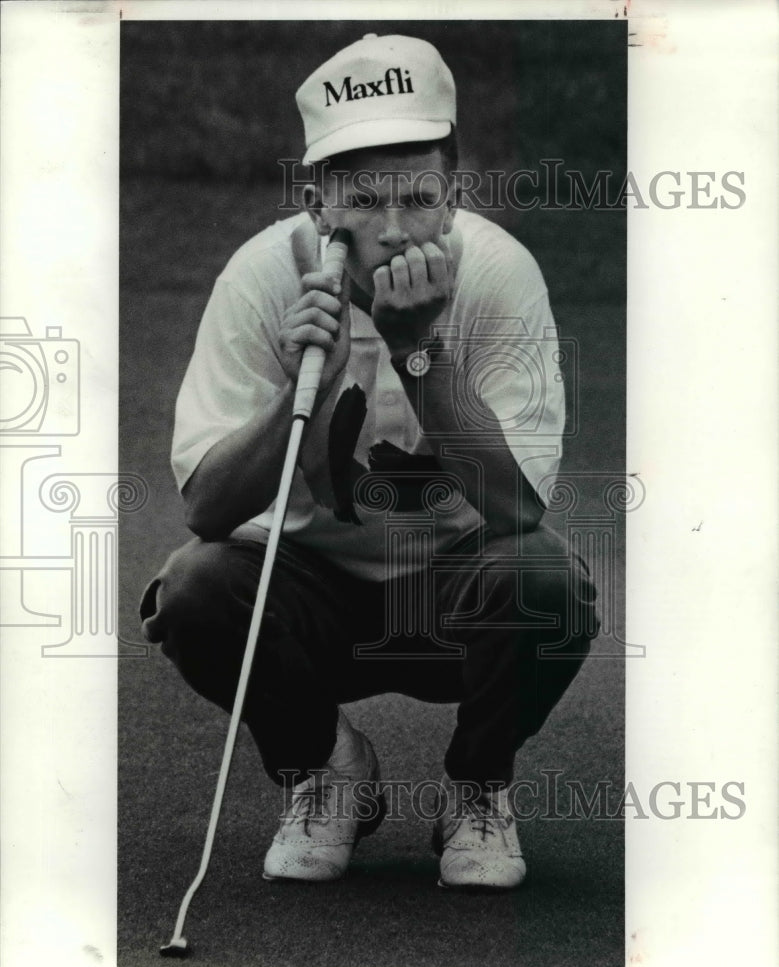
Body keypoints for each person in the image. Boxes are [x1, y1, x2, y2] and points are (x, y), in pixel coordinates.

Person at [140, 33, 599, 890]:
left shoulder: (499, 275)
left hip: (456, 593)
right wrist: (292, 391)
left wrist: (416, 351)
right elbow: (207, 509)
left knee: (547, 580)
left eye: (419, 198)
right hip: (309, 594)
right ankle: (324, 769)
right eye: (362, 197)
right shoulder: (260, 278)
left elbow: (516, 513)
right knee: (194, 588)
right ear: (319, 203)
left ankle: (477, 784)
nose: (392, 230)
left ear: (453, 195)